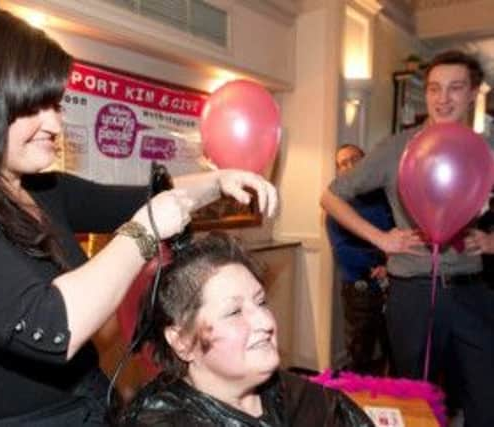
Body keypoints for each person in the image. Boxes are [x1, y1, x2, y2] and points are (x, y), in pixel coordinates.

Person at [0, 5, 278, 426]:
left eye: (56, 106)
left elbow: (150, 196)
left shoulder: (34, 188)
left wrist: (218, 181)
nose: (56, 125)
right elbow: (51, 327)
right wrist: (143, 232)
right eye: (35, 108)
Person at [321, 50, 494, 427]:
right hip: (412, 291)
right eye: (434, 89)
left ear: (473, 94)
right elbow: (331, 196)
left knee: (486, 396)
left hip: (471, 291)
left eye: (455, 88)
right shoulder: (397, 149)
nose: (443, 98)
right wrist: (381, 239)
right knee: (415, 398)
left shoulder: (486, 150)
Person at [118, 232, 375, 427]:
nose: (265, 322)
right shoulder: (159, 420)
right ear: (182, 341)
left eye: (261, 302)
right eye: (234, 312)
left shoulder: (300, 398)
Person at [326, 144, 393, 374]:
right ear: (338, 171)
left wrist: (389, 266)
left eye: (355, 159)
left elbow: (399, 235)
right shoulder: (336, 204)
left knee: (394, 350)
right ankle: (356, 405)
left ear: (367, 162)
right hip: (359, 290)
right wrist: (378, 261)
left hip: (394, 286)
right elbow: (343, 251)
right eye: (343, 163)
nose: (350, 165)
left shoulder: (385, 199)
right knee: (359, 354)